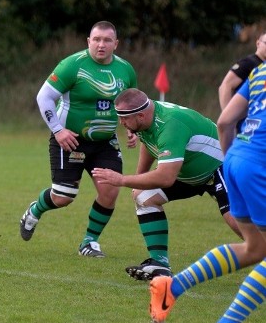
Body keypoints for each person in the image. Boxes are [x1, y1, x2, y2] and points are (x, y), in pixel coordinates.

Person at [147, 62, 266, 323]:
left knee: (255, 249)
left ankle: (171, 287)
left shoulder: (260, 72)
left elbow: (225, 122)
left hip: (235, 159)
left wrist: (233, 163)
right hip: (259, 164)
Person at [92, 88, 242, 281]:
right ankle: (160, 263)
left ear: (140, 115)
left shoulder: (171, 124)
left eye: (124, 118)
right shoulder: (144, 119)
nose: (121, 123)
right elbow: (149, 142)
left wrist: (122, 180)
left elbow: (165, 178)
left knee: (236, 220)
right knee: (143, 196)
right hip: (190, 172)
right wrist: (140, 177)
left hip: (223, 166)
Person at [18, 21, 138, 259]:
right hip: (69, 139)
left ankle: (90, 242)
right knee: (63, 197)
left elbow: (130, 104)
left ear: (116, 43)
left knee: (110, 191)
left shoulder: (125, 70)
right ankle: (34, 210)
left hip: (105, 143)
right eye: (96, 39)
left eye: (106, 40)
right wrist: (58, 130)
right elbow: (44, 97)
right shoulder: (72, 65)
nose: (101, 45)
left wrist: (133, 128)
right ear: (88, 42)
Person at [218, 31, 266, 111]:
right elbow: (225, 86)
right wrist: (229, 117)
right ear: (258, 43)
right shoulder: (248, 63)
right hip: (244, 119)